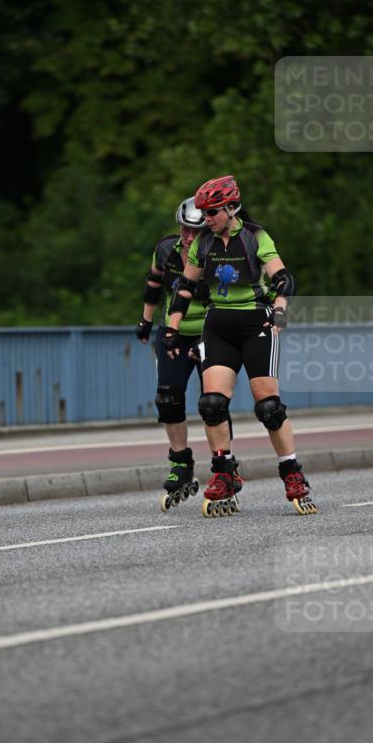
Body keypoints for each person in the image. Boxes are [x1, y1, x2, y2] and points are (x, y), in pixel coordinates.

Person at [163, 175, 317, 517]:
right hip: (218, 326)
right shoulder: (203, 242)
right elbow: (185, 287)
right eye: (203, 212)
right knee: (212, 404)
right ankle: (224, 473)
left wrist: (279, 312)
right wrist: (172, 329)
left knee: (269, 408)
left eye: (213, 211)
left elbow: (283, 279)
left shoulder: (255, 237)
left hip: (255, 324)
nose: (207, 218)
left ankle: (292, 473)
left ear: (232, 207)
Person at [135, 197, 242, 511]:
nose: (188, 236)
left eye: (195, 230)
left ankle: (225, 468)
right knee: (167, 397)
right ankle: (181, 463)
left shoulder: (221, 254)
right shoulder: (166, 249)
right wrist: (145, 319)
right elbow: (154, 282)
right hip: (174, 331)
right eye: (184, 228)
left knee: (213, 402)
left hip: (213, 330)